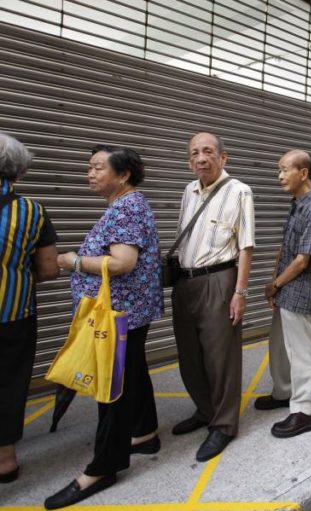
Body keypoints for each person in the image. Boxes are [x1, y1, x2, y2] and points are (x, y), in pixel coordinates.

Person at [46, 145, 163, 509]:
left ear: (123, 175)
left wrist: (73, 261)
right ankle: (145, 434)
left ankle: (104, 467)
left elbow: (122, 262)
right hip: (129, 311)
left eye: (98, 167)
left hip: (118, 313)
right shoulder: (126, 204)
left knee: (111, 388)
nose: (90, 173)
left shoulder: (128, 207)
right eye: (89, 167)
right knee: (133, 372)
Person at [171, 133, 254, 459]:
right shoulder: (188, 191)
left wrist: (240, 292)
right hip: (185, 282)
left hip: (220, 280)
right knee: (189, 357)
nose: (201, 158)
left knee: (221, 360)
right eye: (194, 153)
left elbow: (245, 246)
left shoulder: (239, 191)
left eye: (207, 152)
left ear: (223, 157)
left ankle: (224, 425)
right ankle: (205, 410)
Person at [0, 134, 58, 486]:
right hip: (14, 313)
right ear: (18, 171)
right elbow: (49, 269)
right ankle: (5, 459)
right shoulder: (32, 212)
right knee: (8, 381)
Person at [259, 150, 311, 438]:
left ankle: (306, 411)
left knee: (303, 353)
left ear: (303, 173)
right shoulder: (297, 204)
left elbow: (302, 260)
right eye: (279, 170)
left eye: (285, 169)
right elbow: (285, 248)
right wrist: (275, 282)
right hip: (286, 288)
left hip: (300, 290)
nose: (280, 176)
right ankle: (284, 391)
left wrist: (276, 284)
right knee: (279, 346)